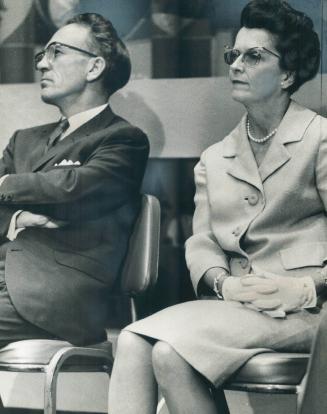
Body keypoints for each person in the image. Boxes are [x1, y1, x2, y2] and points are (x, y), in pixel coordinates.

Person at [108, 1, 326, 413]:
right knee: (144, 345)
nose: (236, 65)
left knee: (162, 346)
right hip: (238, 305)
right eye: (234, 54)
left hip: (307, 310)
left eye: (254, 56)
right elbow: (203, 241)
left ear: (288, 74)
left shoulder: (320, 141)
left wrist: (306, 287)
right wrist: (223, 283)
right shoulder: (215, 157)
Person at [0, 13, 149, 347]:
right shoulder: (23, 140)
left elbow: (73, 189)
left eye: (56, 53)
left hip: (57, 296)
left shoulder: (123, 139)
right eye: (42, 54)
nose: (41, 64)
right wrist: (19, 217)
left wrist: (4, 185)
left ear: (94, 67)